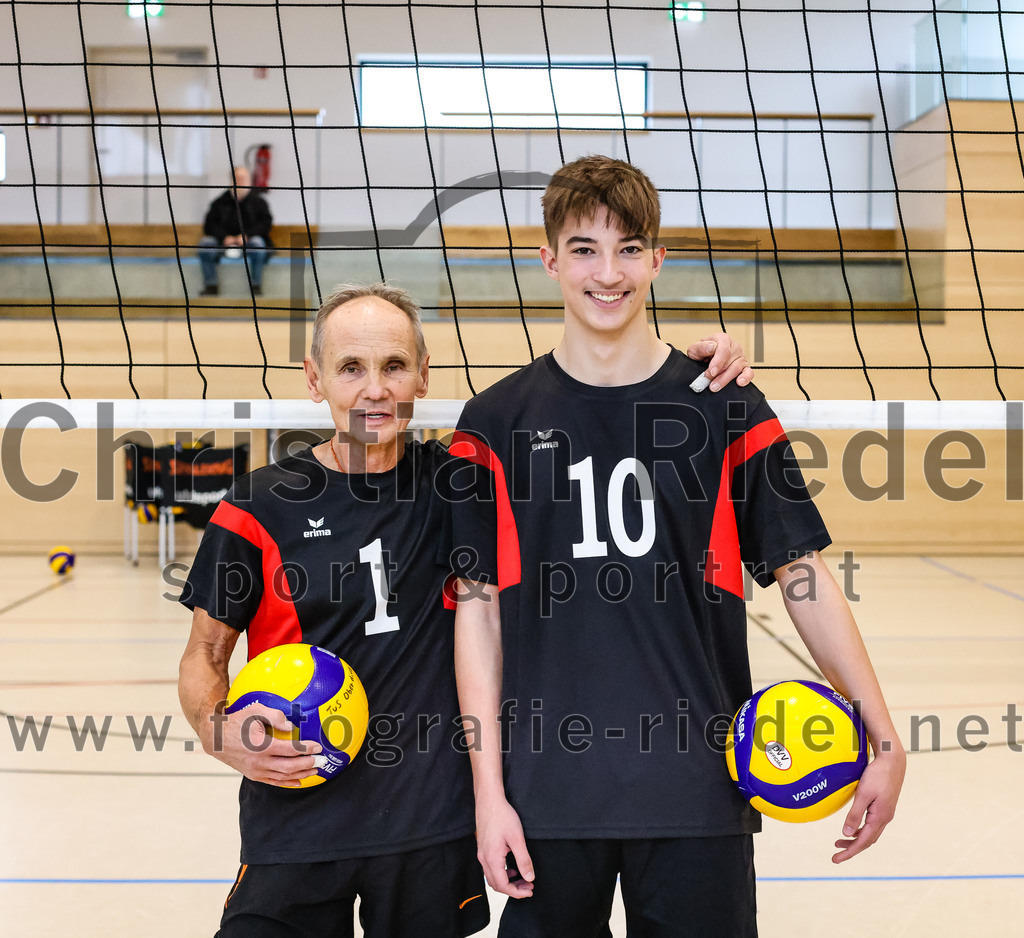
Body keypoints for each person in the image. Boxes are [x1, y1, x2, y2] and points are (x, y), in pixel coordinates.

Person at [177, 279, 752, 937]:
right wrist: (219, 732)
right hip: (296, 818)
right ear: (315, 379)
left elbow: (593, 423)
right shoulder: (258, 505)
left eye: (394, 366)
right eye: (351, 368)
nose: (375, 388)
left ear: (423, 375)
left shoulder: (463, 482)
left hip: (430, 831)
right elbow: (204, 655)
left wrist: (690, 369)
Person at [449, 156, 906, 937]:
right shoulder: (491, 423)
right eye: (585, 248)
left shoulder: (724, 405)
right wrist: (487, 796)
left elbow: (802, 575)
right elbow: (477, 617)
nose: (608, 272)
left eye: (629, 249)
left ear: (659, 260)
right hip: (548, 794)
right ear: (549, 259)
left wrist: (884, 737)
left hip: (699, 788)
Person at [197, 165, 272, 296]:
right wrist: (224, 237)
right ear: (231, 181)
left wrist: (246, 236)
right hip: (223, 243)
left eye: (243, 179)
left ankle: (255, 286)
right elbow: (209, 224)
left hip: (249, 243)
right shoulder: (219, 202)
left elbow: (265, 224)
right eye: (237, 178)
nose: (240, 182)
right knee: (205, 244)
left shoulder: (259, 202)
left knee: (258, 244)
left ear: (249, 181)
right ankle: (211, 285)